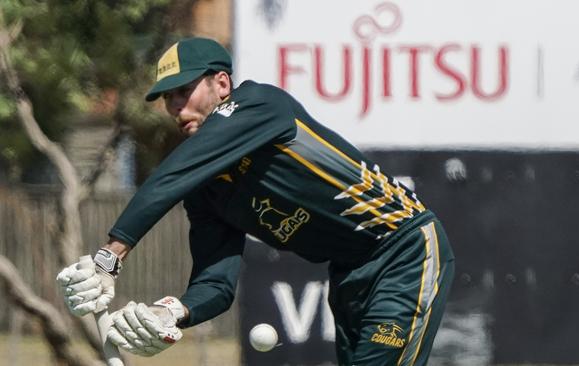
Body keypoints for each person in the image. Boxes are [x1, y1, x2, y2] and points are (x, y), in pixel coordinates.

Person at [56, 37, 455, 365]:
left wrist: (110, 256)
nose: (176, 107)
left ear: (222, 85)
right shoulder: (206, 188)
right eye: (167, 99)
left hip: (404, 249)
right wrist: (174, 312)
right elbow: (215, 284)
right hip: (351, 274)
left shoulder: (260, 106)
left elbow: (174, 173)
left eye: (184, 91)